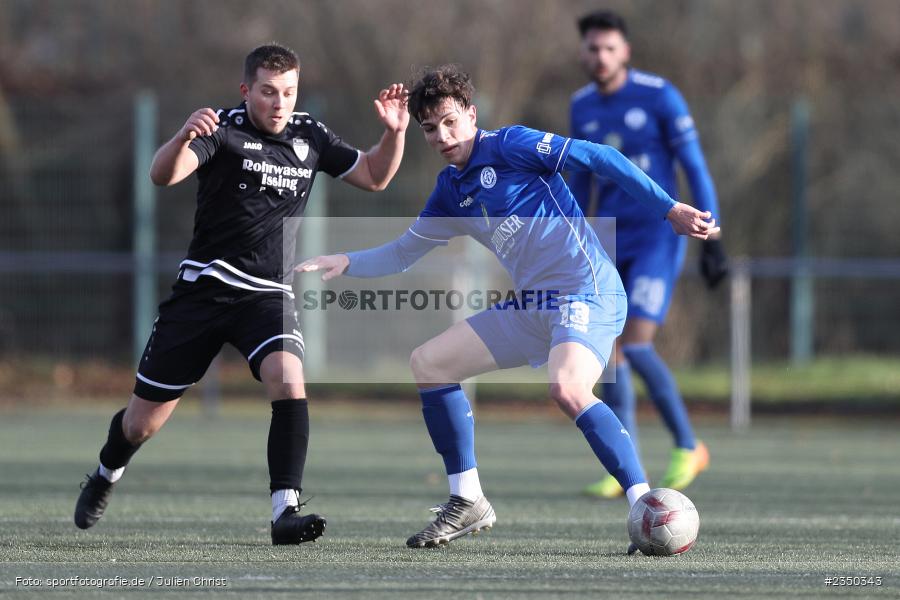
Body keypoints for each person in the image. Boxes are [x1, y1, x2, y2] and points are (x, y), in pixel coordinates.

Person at [297, 64, 717, 550]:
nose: (442, 135)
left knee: (567, 387)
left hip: (588, 291)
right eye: (430, 129)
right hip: (533, 305)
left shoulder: (511, 145)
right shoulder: (451, 192)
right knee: (429, 364)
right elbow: (402, 252)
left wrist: (669, 208)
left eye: (451, 122)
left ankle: (643, 504)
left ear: (471, 115)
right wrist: (344, 260)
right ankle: (468, 500)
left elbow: (600, 156)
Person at [73, 43, 410, 545]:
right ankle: (105, 473)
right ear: (246, 89)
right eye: (269, 92)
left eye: (289, 93)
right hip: (203, 292)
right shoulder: (222, 128)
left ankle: (284, 511)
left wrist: (394, 133)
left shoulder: (309, 135)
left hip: (267, 296)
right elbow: (162, 174)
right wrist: (183, 135)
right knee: (141, 425)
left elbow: (375, 177)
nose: (279, 103)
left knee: (288, 377)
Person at [570, 11, 727, 499]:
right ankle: (627, 466)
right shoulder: (581, 106)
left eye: (609, 48)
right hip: (608, 241)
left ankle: (687, 445)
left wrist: (713, 234)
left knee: (635, 344)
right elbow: (577, 183)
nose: (600, 57)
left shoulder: (660, 96)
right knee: (612, 355)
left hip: (659, 235)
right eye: (593, 48)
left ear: (626, 51)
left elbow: (693, 166)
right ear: (585, 52)